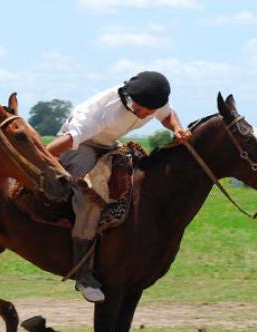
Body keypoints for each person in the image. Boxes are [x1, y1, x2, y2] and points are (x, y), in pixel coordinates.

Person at [46, 71, 191, 303]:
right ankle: (84, 275)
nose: (147, 115)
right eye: (144, 110)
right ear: (130, 99)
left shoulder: (152, 101)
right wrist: (40, 157)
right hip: (79, 145)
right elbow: (70, 140)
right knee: (90, 198)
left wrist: (177, 128)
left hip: (109, 144)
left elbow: (167, 115)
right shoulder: (101, 112)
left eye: (151, 111)